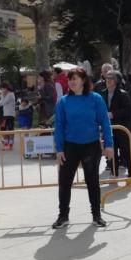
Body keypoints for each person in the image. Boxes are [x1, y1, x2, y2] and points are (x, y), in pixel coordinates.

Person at [52, 67, 114, 229]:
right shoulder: (63, 101)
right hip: (69, 147)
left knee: (92, 181)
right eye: (70, 79)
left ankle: (96, 216)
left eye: (75, 78)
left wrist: (109, 145)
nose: (72, 82)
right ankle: (63, 216)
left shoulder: (96, 99)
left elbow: (105, 123)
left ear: (84, 80)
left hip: (91, 146)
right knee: (65, 182)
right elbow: (58, 126)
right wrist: (59, 149)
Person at [98, 70, 131, 176]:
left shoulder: (123, 94)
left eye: (111, 78)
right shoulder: (102, 93)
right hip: (108, 127)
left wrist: (113, 114)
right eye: (107, 78)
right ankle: (114, 173)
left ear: (116, 80)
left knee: (126, 151)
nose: (108, 80)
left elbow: (128, 110)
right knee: (112, 151)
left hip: (122, 127)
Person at [0, 81, 17, 150]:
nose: (2, 90)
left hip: (10, 114)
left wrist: (3, 95)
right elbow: (0, 102)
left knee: (10, 129)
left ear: (6, 88)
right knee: (3, 128)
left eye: (3, 88)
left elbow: (3, 102)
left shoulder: (11, 94)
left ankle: (10, 143)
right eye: (1, 89)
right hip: (5, 114)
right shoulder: (3, 95)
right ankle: (6, 142)